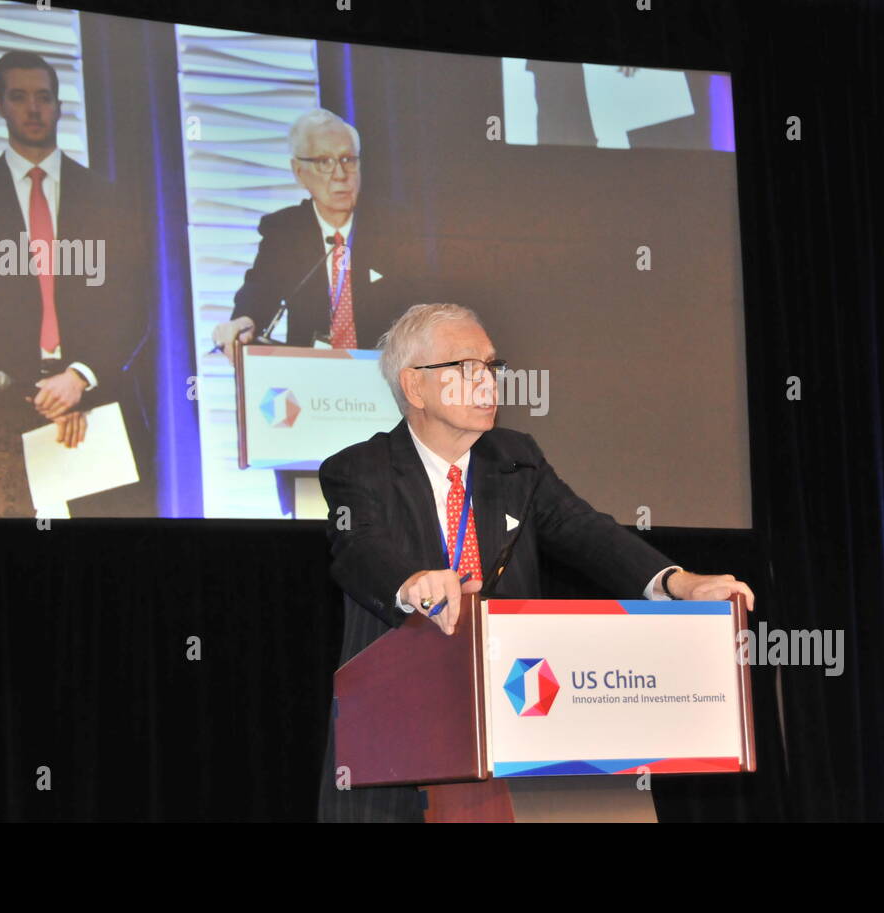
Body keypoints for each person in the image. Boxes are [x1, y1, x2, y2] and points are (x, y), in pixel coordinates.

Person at [316, 303, 756, 822]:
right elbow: (359, 547)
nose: (488, 383)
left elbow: (582, 528)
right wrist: (410, 582)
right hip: (397, 735)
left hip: (515, 719)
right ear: (415, 386)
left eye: (492, 367)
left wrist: (678, 582)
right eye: (467, 368)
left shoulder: (516, 459)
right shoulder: (358, 469)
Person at [0, 50, 145, 517]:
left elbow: (132, 307)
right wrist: (43, 390)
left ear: (59, 106)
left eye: (44, 97)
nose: (33, 109)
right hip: (1, 405)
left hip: (94, 405)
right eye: (19, 97)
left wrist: (78, 378)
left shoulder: (106, 197)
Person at [211, 107, 413, 360]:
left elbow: (419, 302)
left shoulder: (394, 226)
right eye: (324, 162)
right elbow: (260, 288)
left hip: (382, 369)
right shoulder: (285, 230)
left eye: (348, 160)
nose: (340, 175)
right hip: (310, 372)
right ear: (299, 171)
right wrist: (244, 321)